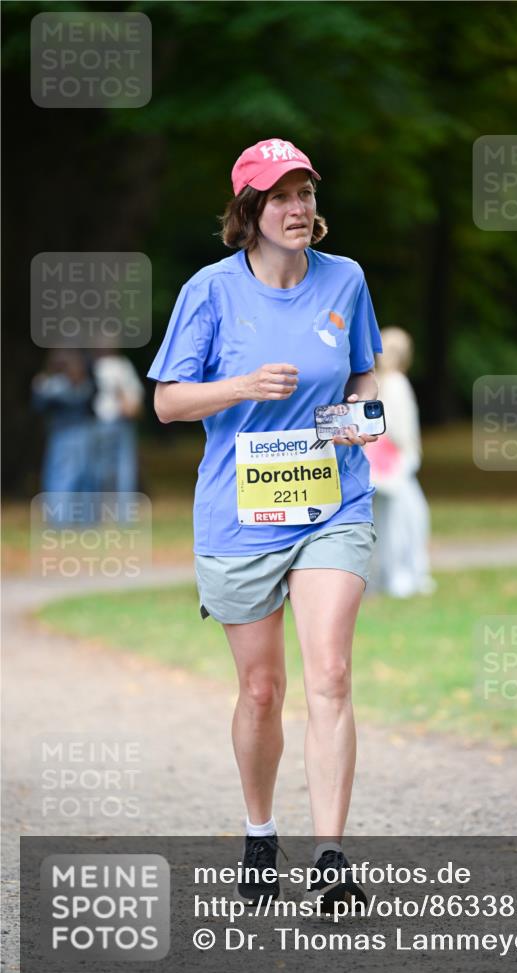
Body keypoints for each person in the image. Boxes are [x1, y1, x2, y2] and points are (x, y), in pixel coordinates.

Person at [147, 138, 382, 910]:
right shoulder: (209, 293)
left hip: (330, 504)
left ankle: (331, 858)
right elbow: (168, 402)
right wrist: (240, 384)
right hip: (240, 512)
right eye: (280, 196)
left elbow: (363, 377)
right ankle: (258, 832)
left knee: (332, 674)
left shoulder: (344, 280)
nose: (297, 208)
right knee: (259, 689)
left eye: (306, 193)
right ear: (248, 211)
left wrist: (356, 421)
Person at [367, 327, 435, 598]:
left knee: (407, 520)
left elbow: (402, 431)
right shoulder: (386, 382)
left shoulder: (392, 382)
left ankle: (401, 575)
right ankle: (395, 576)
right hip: (387, 464)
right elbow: (393, 429)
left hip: (394, 464)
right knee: (393, 522)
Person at [32, 349, 97, 521]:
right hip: (65, 433)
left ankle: (81, 519)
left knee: (80, 475)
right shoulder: (57, 384)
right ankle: (61, 519)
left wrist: (42, 389)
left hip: (77, 432)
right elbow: (40, 405)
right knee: (64, 476)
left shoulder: (65, 386)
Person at [91, 347, 145, 497]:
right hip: (119, 420)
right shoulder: (122, 365)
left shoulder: (93, 364)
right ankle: (123, 505)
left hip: (103, 420)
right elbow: (135, 393)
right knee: (124, 465)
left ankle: (102, 503)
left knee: (102, 464)